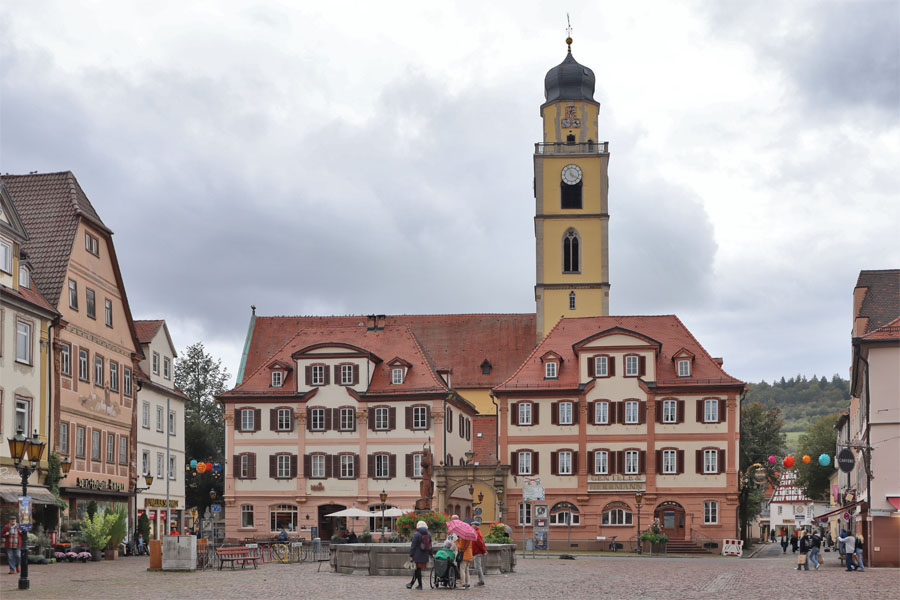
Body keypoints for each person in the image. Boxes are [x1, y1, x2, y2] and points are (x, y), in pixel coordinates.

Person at [406, 520, 431, 590]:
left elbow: (413, 546)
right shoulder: (429, 534)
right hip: (425, 555)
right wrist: (431, 554)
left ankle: (420, 585)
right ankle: (411, 584)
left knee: (418, 570)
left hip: (417, 555)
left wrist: (411, 555)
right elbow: (430, 546)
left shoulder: (417, 534)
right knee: (417, 570)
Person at [471, 520, 487, 587]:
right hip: (477, 552)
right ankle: (481, 581)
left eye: (472, 525)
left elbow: (480, 543)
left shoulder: (476, 533)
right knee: (478, 567)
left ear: (475, 525)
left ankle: (481, 581)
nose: (471, 526)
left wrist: (484, 551)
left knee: (478, 567)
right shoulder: (476, 532)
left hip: (477, 552)